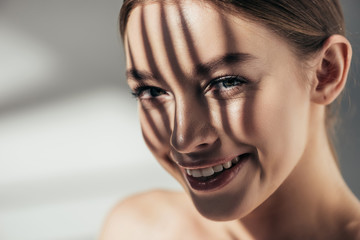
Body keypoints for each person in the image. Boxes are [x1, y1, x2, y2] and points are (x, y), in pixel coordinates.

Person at [101, 0, 360, 239]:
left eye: (226, 82)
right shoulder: (138, 230)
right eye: (152, 91)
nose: (183, 140)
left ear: (328, 71)